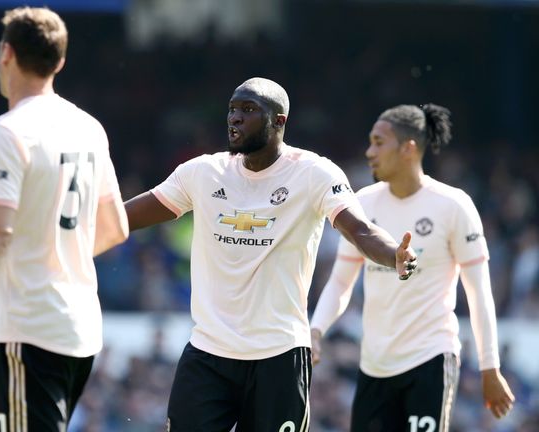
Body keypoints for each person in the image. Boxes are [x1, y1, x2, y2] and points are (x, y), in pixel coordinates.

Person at [124, 77, 417, 431]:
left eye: (248, 110)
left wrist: (393, 255)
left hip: (278, 356)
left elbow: (360, 229)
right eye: (232, 110)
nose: (235, 118)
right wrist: (78, 225)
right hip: (209, 353)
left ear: (279, 121)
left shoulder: (314, 173)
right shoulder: (203, 172)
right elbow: (126, 217)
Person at [0, 6, 128, 431]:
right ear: (60, 62)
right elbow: (116, 228)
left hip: (30, 328)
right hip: (81, 329)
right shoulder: (89, 127)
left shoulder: (7, 132)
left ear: (6, 53)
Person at [310, 103, 516, 431]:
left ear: (408, 148)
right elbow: (340, 283)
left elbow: (479, 294)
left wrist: (490, 368)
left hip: (430, 361)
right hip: (375, 365)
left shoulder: (454, 205)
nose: (369, 152)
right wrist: (316, 330)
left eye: (378, 142)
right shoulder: (362, 203)